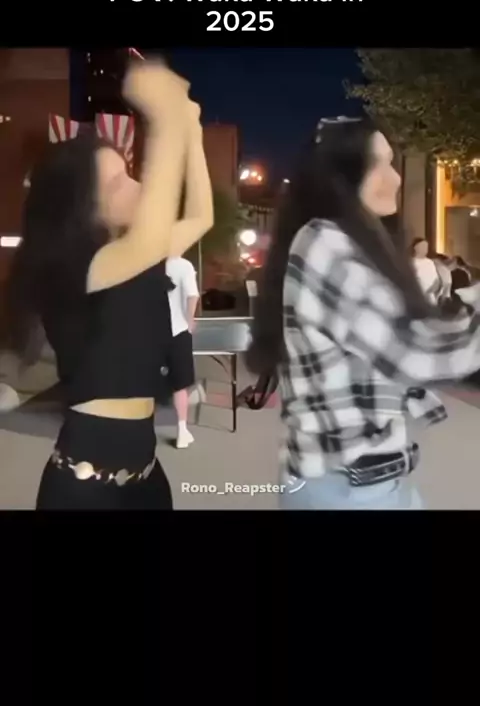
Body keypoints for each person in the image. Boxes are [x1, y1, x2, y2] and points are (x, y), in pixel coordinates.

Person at [6, 60, 213, 509]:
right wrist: (165, 119)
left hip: (147, 477)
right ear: (84, 206)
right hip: (84, 489)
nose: (138, 187)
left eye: (131, 173)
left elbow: (200, 217)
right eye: (119, 183)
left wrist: (191, 129)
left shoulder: (134, 257)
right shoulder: (76, 268)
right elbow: (157, 221)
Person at [246, 115, 480, 510]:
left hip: (369, 485)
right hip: (347, 493)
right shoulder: (326, 245)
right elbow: (416, 354)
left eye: (393, 162)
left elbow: (411, 342)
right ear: (340, 176)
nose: (396, 178)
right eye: (379, 164)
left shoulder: (346, 244)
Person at [165, 256, 200, 448]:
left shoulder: (147, 262)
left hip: (150, 332)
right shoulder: (183, 264)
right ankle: (182, 431)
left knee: (146, 382)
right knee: (180, 385)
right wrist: (190, 320)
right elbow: (192, 295)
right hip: (178, 330)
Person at [411, 237, 442, 304]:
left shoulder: (430, 262)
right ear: (416, 247)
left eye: (426, 247)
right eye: (423, 246)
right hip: (417, 297)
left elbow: (437, 280)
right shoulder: (411, 262)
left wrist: (431, 290)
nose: (425, 249)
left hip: (430, 297)